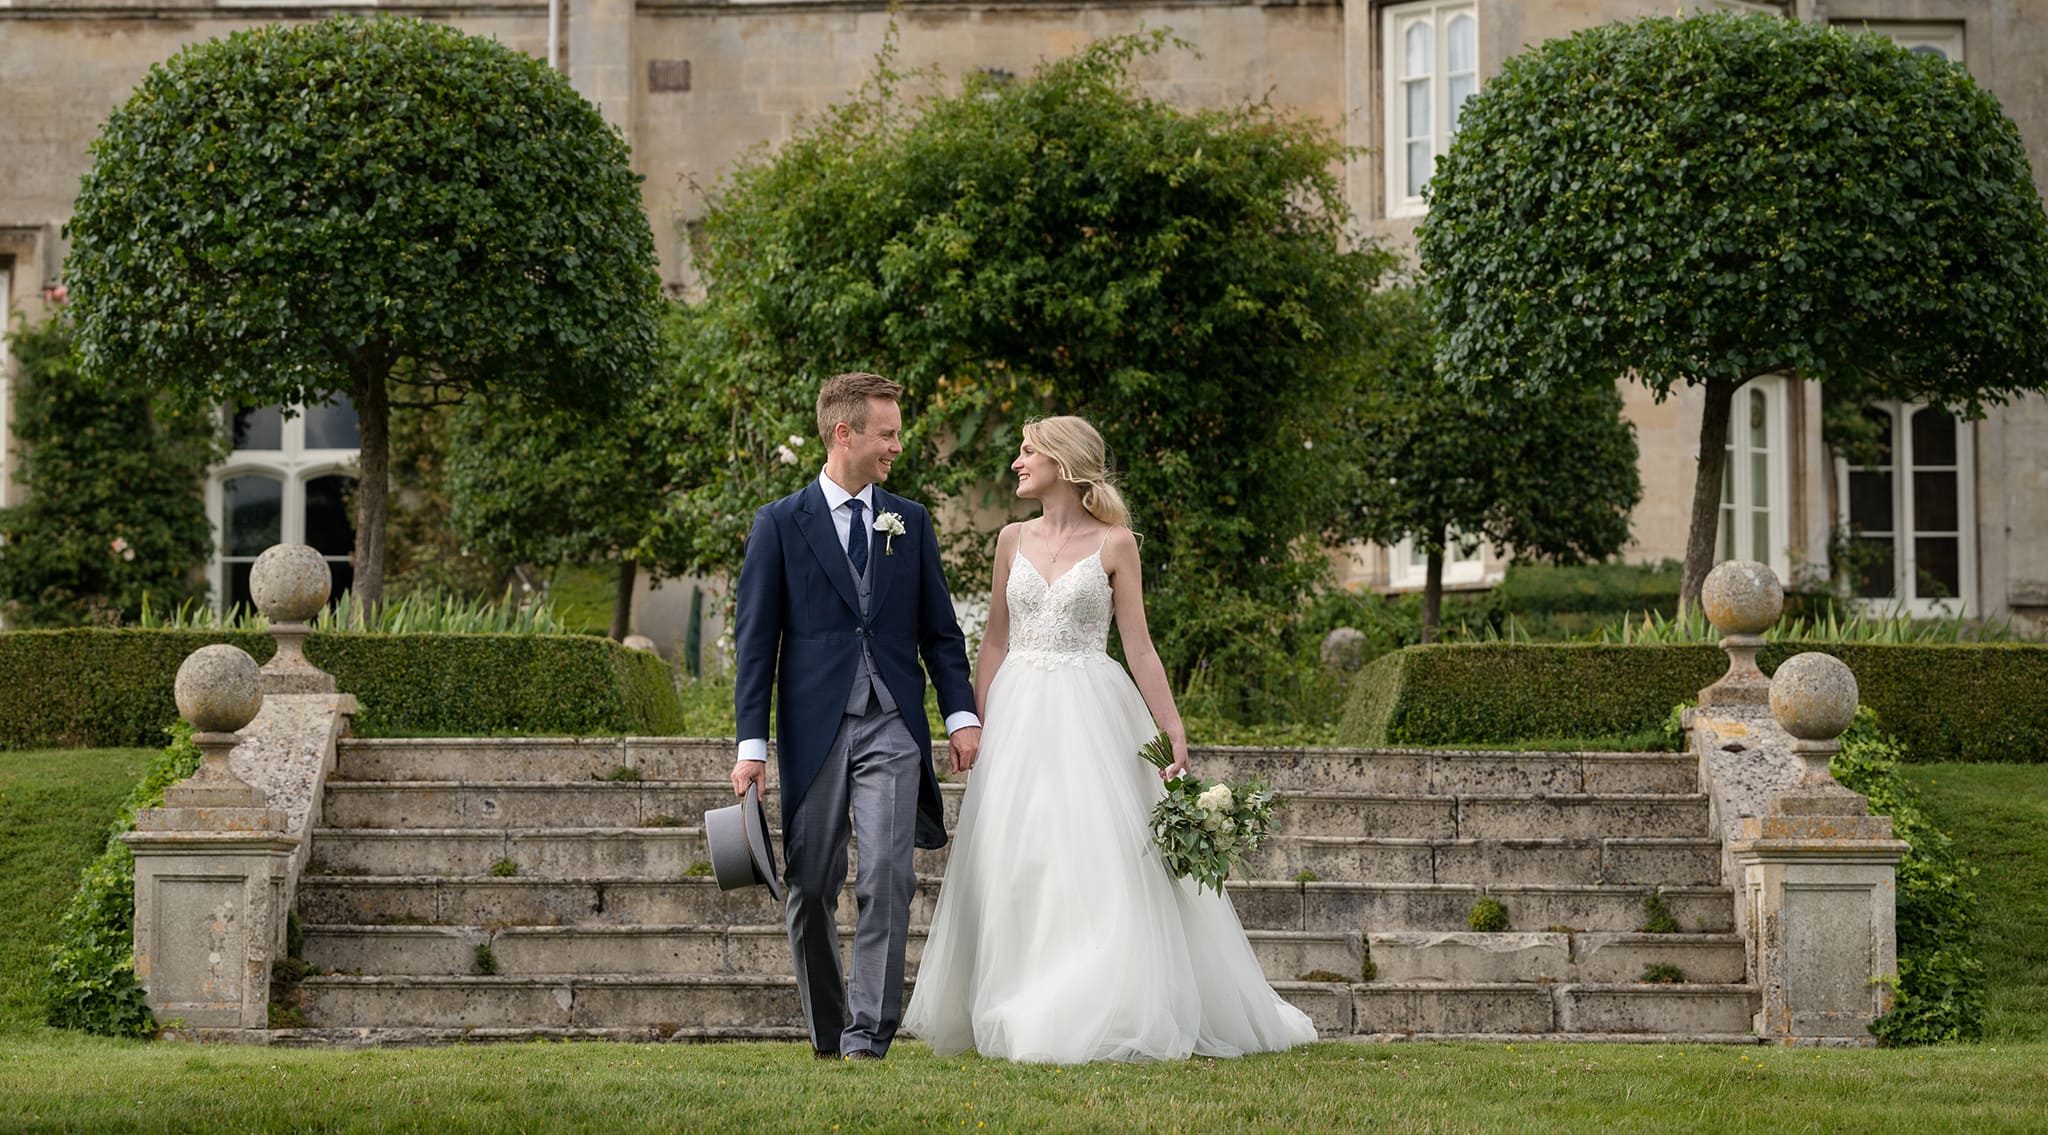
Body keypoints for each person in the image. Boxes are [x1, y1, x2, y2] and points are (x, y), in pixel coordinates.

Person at [902, 415, 1318, 1063]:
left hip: (1092, 710)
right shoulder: (1010, 539)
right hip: (1016, 712)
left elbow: (1140, 646)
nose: (1016, 461)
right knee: (1017, 857)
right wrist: (976, 722)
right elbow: (994, 640)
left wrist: (1172, 726)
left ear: (1062, 462)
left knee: (1093, 854)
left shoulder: (1117, 544)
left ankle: (1095, 999)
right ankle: (1015, 991)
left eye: (1027, 450)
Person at [730, 372, 982, 1061]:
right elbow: (755, 646)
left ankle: (869, 1034)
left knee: (888, 876)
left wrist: (960, 713)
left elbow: (940, 631)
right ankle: (828, 1027)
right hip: (815, 728)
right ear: (846, 433)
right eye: (888, 433)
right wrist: (751, 744)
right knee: (810, 883)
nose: (897, 446)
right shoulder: (780, 524)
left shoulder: (911, 520)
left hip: (893, 722)